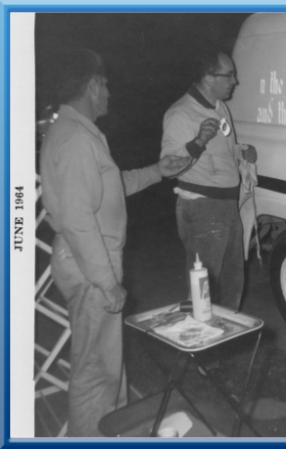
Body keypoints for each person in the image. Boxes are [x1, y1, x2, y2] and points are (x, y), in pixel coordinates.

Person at [39, 48, 188, 437]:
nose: (109, 91)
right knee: (94, 375)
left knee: (106, 369)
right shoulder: (75, 139)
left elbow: (110, 187)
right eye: (105, 83)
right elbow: (78, 219)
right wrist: (107, 281)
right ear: (92, 85)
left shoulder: (77, 133)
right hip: (90, 263)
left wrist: (158, 170)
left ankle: (114, 434)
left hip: (88, 258)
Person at [160, 45, 257, 311]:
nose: (235, 81)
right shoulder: (181, 114)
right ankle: (196, 335)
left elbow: (223, 150)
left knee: (231, 285)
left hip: (227, 206)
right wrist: (198, 141)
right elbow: (168, 167)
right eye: (229, 75)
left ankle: (225, 335)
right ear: (208, 78)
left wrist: (242, 152)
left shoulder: (220, 108)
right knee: (202, 292)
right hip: (202, 207)